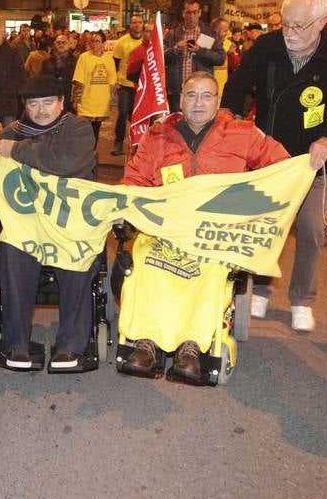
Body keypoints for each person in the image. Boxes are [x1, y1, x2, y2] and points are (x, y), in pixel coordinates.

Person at [118, 72, 290, 381]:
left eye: (206, 95)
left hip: (217, 231)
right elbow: (135, 179)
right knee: (146, 261)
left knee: (210, 271)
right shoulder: (156, 137)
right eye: (192, 95)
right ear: (180, 100)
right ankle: (147, 342)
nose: (199, 102)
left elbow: (282, 166)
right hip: (167, 226)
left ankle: (191, 346)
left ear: (218, 101)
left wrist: (257, 207)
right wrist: (121, 206)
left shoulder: (243, 133)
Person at [222, 0, 327, 331]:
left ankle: (303, 298)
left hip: (313, 160)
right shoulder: (267, 47)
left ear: (322, 22)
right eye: (285, 23)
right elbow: (236, 88)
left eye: (298, 25)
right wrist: (233, 120)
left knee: (312, 230)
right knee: (268, 227)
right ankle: (262, 287)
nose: (289, 33)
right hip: (269, 156)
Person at [0, 75, 98, 370]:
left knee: (78, 262)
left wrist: (17, 150)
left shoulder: (78, 129)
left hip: (70, 222)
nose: (41, 110)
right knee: (12, 254)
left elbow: (65, 162)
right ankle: (17, 344)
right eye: (34, 104)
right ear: (25, 106)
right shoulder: (12, 131)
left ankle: (70, 345)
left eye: (48, 103)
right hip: (28, 223)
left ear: (61, 103)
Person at [164, 0, 224, 107]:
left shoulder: (210, 33)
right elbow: (162, 58)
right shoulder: (172, 34)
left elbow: (220, 59)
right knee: (176, 121)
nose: (191, 16)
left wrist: (200, 51)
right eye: (188, 12)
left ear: (200, 13)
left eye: (195, 12)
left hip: (201, 89)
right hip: (178, 90)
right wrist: (176, 49)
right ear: (183, 13)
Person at [72, 29, 116, 142]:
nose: (94, 43)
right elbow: (78, 81)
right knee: (83, 133)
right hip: (86, 103)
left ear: (103, 43)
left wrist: (113, 101)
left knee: (95, 133)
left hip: (101, 103)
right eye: (92, 41)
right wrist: (76, 99)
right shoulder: (84, 57)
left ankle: (92, 154)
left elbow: (112, 82)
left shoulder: (109, 59)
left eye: (97, 41)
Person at [111, 14, 145, 155]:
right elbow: (115, 62)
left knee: (137, 116)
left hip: (141, 86)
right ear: (130, 25)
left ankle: (137, 143)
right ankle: (118, 142)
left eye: (140, 22)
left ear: (143, 24)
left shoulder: (147, 41)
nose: (137, 25)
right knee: (123, 113)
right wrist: (116, 81)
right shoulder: (122, 42)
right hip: (124, 84)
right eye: (134, 22)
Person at [40, 31, 78, 107]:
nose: (61, 45)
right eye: (58, 42)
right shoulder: (47, 61)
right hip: (52, 98)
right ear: (55, 44)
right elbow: (42, 80)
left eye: (64, 42)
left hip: (69, 99)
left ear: (69, 44)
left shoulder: (76, 61)